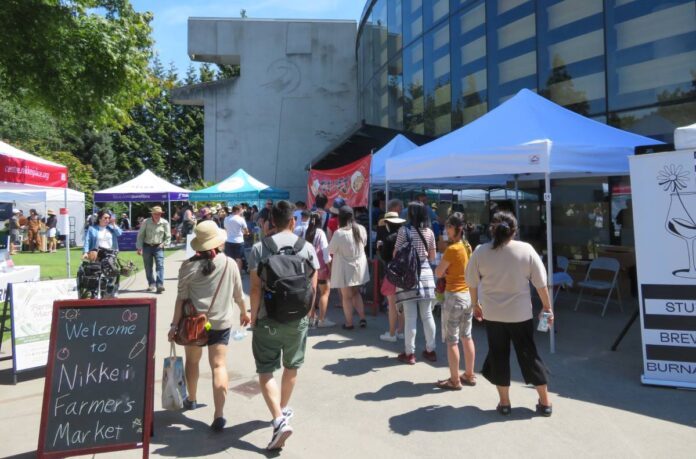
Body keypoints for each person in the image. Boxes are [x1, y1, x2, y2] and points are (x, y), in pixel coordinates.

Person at [466, 211, 553, 416]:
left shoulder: (481, 251)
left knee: (498, 356)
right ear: (514, 230)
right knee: (529, 355)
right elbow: (541, 283)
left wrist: (474, 304)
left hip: (493, 314)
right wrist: (547, 308)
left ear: (492, 229)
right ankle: (545, 402)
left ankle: (504, 403)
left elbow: (471, 281)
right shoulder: (526, 250)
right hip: (520, 314)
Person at [248, 200, 319, 450]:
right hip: (297, 319)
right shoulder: (306, 247)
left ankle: (278, 418)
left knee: (266, 370)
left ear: (270, 222)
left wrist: (253, 316)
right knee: (292, 367)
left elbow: (255, 289)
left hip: (268, 318)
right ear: (293, 221)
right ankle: (282, 412)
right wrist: (307, 316)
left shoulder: (259, 248)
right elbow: (312, 288)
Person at [169, 220, 250, 432]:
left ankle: (192, 399)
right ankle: (219, 414)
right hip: (221, 324)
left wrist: (173, 325)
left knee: (192, 362)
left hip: (194, 324)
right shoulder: (230, 263)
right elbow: (239, 295)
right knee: (219, 366)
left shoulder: (187, 266)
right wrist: (244, 312)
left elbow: (181, 299)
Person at [434, 212, 475, 390]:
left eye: (447, 227)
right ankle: (469, 374)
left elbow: (438, 272)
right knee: (467, 336)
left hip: (454, 296)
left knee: (452, 340)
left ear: (454, 228)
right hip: (467, 295)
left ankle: (454, 380)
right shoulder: (467, 246)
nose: (445, 230)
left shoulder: (452, 249)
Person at [394, 201, 437, 365]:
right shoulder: (430, 232)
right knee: (427, 315)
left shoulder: (404, 231)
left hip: (408, 278)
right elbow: (432, 257)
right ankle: (430, 350)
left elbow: (395, 253)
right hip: (426, 276)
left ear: (410, 214)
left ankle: (409, 353)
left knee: (410, 317)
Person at [328, 206, 369, 329]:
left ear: (340, 218)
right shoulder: (361, 228)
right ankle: (362, 318)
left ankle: (349, 323)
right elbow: (365, 243)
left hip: (344, 268)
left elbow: (331, 250)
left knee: (346, 297)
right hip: (359, 267)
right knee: (356, 293)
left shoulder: (339, 233)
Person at [376, 210, 406, 342]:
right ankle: (400, 331)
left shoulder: (389, 239)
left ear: (387, 224)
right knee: (402, 304)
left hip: (392, 273)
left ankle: (392, 333)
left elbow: (385, 256)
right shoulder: (406, 236)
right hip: (405, 273)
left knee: (392, 304)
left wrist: (380, 248)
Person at [83, 210, 123, 297]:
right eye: (105, 218)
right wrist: (85, 252)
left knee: (114, 271)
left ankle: (111, 287)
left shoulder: (111, 228)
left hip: (110, 253)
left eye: (109, 218)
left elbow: (119, 233)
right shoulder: (92, 229)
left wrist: (113, 224)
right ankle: (95, 291)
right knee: (97, 273)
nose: (107, 220)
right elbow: (87, 241)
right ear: (100, 218)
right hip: (97, 253)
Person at [305, 212, 335, 328]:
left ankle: (311, 318)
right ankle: (322, 320)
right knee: (325, 292)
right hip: (320, 268)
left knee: (311, 293)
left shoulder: (307, 232)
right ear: (320, 221)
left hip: (308, 267)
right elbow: (325, 252)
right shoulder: (320, 233)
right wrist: (330, 268)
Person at [136, 206, 171, 293]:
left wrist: (164, 244)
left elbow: (168, 236)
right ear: (152, 214)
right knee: (148, 266)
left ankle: (159, 284)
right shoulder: (146, 222)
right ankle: (151, 284)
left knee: (160, 265)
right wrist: (139, 247)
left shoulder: (165, 222)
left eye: (159, 214)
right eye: (155, 214)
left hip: (158, 247)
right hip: (147, 246)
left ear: (161, 214)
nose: (157, 215)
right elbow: (141, 235)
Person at [223, 205, 248, 272]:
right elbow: (246, 231)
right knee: (239, 259)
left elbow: (225, 229)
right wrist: (244, 233)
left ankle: (231, 274)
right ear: (237, 211)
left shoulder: (226, 218)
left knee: (230, 259)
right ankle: (238, 275)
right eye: (241, 210)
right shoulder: (241, 219)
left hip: (228, 240)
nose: (242, 211)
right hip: (239, 241)